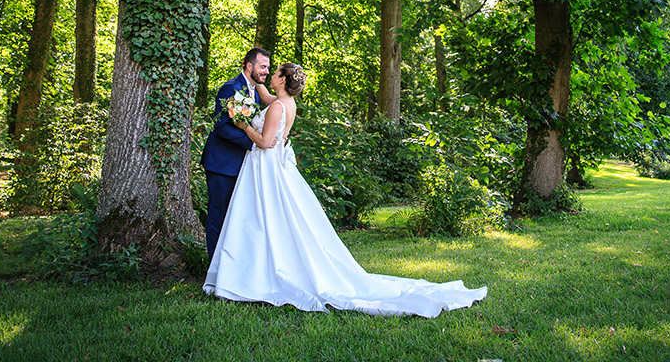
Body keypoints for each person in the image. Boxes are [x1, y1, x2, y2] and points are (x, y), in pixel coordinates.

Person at [204, 62, 487, 317]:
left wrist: (243, 124)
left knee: (261, 219)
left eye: (275, 72)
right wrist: (246, 92)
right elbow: (263, 96)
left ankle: (250, 274)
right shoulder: (285, 103)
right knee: (269, 220)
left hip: (265, 165)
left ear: (281, 80)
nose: (271, 74)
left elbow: (265, 142)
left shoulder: (278, 107)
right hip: (268, 168)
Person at [199, 47, 273, 259]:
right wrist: (253, 144)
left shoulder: (255, 90)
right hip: (222, 164)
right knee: (218, 216)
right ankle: (213, 268)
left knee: (236, 218)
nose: (266, 71)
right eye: (262, 67)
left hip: (242, 164)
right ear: (249, 66)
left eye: (267, 67)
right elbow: (221, 127)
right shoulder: (230, 89)